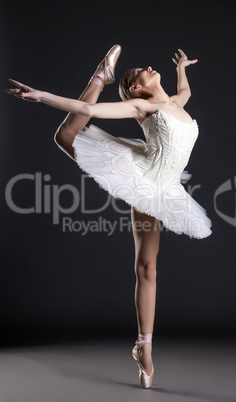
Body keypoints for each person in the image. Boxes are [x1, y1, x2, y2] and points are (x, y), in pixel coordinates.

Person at [6, 44, 212, 389]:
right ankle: (100, 77)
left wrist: (182, 69)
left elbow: (187, 91)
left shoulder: (176, 103)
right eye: (140, 73)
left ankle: (142, 345)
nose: (147, 66)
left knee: (148, 268)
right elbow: (87, 108)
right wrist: (41, 96)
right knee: (66, 135)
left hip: (167, 187)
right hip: (143, 178)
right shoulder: (141, 106)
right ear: (135, 88)